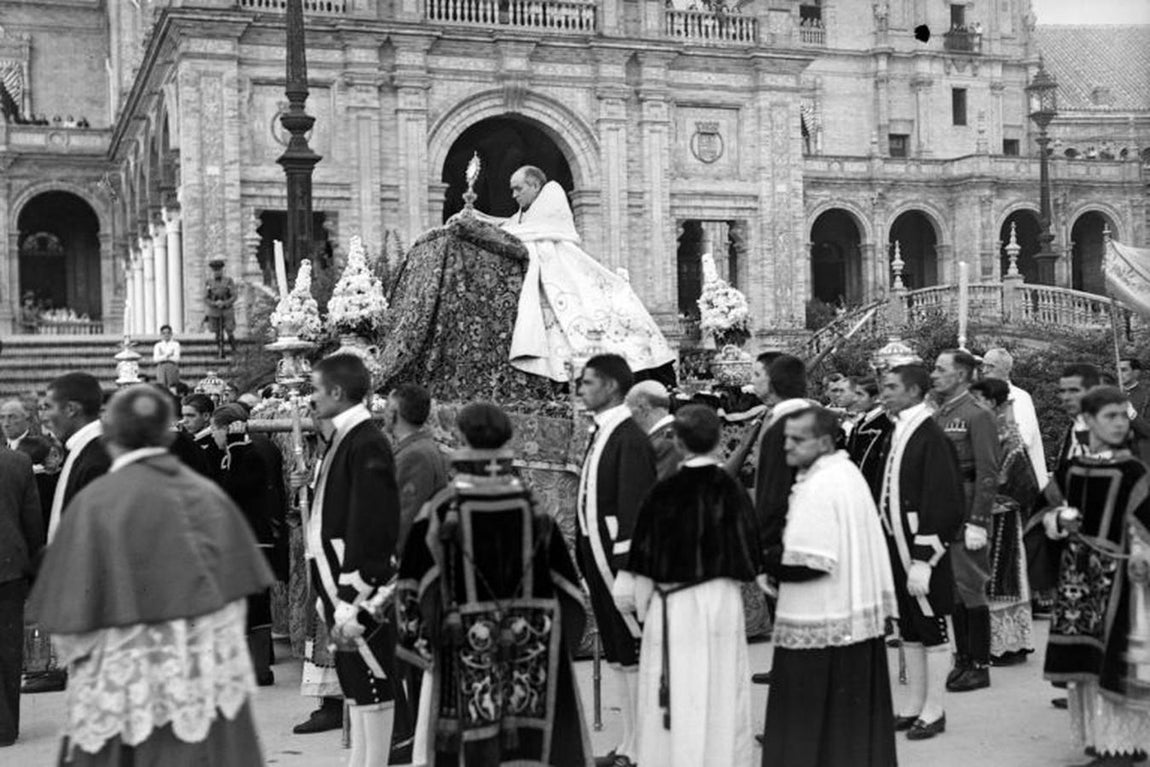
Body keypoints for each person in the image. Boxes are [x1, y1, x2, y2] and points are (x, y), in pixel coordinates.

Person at [27, 385, 272, 766]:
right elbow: (237, 598)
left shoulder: (97, 501)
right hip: (201, 681)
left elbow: (68, 620)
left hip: (122, 684)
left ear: (112, 434)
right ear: (167, 432)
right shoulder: (208, 496)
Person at [396, 402, 592, 767]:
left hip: (462, 651)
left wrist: (424, 646)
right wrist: (553, 643)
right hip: (531, 648)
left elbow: (412, 592)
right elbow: (570, 594)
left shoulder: (440, 513)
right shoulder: (536, 510)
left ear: (460, 438)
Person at [618, 404, 762, 767]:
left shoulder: (662, 493)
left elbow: (644, 561)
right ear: (717, 441)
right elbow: (751, 554)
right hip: (721, 602)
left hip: (674, 606)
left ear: (678, 443)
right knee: (720, 686)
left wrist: (641, 603)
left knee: (677, 686)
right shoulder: (732, 490)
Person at [762, 407, 898, 767]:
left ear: (823, 441)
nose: (787, 446)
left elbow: (810, 563)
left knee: (812, 732)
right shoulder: (845, 471)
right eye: (786, 438)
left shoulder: (820, 485)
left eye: (796, 439)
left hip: (820, 620)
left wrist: (763, 565)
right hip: (850, 620)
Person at [1031, 386, 1150, 767]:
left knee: (1113, 659)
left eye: (1122, 416)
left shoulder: (1135, 472)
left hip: (1123, 583)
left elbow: (1146, 524)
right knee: (1085, 660)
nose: (1118, 423)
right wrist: (1058, 519)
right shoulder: (1070, 469)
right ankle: (1100, 740)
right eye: (1109, 416)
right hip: (1076, 581)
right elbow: (1040, 514)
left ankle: (1124, 746)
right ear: (1088, 421)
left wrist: (1142, 554)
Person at [476, 166, 675, 382]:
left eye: (518, 188)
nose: (514, 195)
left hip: (564, 269)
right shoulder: (525, 213)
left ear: (534, 186)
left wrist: (483, 229)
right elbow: (509, 226)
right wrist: (478, 219)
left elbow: (531, 232)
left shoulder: (552, 196)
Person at [307, 354, 404, 767]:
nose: (311, 399)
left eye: (315, 389)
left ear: (336, 391)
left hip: (360, 588)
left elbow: (373, 521)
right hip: (339, 588)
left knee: (372, 680)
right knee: (356, 684)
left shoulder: (365, 440)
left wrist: (354, 589)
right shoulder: (345, 438)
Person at [576, 353, 658, 767]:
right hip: (600, 561)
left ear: (610, 386)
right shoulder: (604, 432)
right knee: (619, 654)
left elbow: (634, 506)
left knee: (634, 652)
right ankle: (629, 740)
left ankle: (644, 746)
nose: (581, 389)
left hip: (620, 566)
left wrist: (629, 570)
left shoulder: (628, 437)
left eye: (588, 382)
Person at [880, 364, 966, 740]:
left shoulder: (931, 436)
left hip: (920, 551)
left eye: (891, 387)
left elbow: (944, 500)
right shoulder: (900, 430)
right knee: (910, 628)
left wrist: (924, 558)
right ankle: (913, 705)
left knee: (931, 628)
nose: (884, 394)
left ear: (914, 392)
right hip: (897, 547)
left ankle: (935, 710)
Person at [23, 373, 112, 695]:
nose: (43, 415)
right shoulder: (84, 450)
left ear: (72, 408)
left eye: (48, 407)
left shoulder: (98, 456)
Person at [931, 349, 1001, 693]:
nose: (934, 374)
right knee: (955, 590)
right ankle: (963, 658)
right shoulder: (942, 413)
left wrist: (978, 521)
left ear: (960, 375)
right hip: (947, 510)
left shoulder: (977, 414)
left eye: (941, 369)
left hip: (968, 509)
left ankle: (980, 663)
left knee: (971, 588)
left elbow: (988, 471)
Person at [969, 378, 1040, 667]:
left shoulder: (1009, 435)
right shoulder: (983, 429)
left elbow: (1024, 484)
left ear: (993, 402)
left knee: (1003, 577)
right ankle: (989, 643)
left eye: (980, 400)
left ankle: (1011, 645)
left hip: (1004, 514)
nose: (975, 405)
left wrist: (995, 493)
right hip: (982, 512)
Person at [211, 403, 277, 687]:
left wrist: (236, 448)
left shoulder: (248, 453)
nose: (212, 435)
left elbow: (234, 491)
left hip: (253, 540)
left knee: (255, 606)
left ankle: (260, 668)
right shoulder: (235, 453)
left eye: (214, 429)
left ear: (226, 429)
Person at [0, 444, 43, 747]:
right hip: (10, 567)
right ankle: (6, 728)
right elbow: (32, 520)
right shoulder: (18, 462)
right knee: (9, 650)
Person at [387, 383, 449, 553]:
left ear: (393, 415)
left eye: (387, 407)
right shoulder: (420, 447)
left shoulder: (414, 456)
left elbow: (404, 518)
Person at [982, 348, 1048, 489]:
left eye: (991, 366)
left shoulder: (1019, 398)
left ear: (1006, 370)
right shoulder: (983, 399)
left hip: (1021, 486)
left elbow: (1022, 440)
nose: (984, 370)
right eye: (984, 365)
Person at [625, 380, 684, 480]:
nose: (627, 416)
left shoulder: (667, 442)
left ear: (643, 409)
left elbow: (657, 488)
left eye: (628, 409)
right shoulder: (669, 436)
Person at [845, 376, 893, 500]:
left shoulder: (886, 426)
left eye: (860, 394)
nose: (855, 399)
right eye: (855, 394)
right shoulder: (860, 423)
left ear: (876, 398)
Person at [182, 393, 222, 481]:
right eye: (183, 415)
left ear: (206, 416)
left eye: (190, 416)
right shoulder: (187, 439)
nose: (184, 421)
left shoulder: (216, 442)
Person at [204, 258, 237, 356]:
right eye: (215, 270)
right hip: (214, 310)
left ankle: (234, 350)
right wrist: (215, 303)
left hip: (227, 310)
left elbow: (234, 295)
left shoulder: (228, 281)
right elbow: (205, 297)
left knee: (229, 330)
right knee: (217, 332)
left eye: (219, 270)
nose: (217, 272)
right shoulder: (209, 282)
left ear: (222, 270)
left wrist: (225, 303)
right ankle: (220, 351)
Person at [152, 324, 181, 389]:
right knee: (162, 387)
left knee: (172, 386)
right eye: (164, 333)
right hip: (161, 367)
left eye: (168, 333)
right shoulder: (158, 345)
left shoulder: (175, 344)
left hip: (172, 366)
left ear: (171, 334)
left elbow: (177, 358)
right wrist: (167, 355)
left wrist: (162, 356)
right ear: (161, 334)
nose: (166, 335)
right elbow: (155, 359)